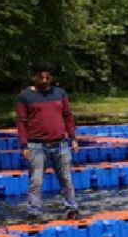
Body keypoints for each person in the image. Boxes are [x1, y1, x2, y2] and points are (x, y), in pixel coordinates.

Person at [16, 62, 80, 222]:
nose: (44, 80)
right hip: (35, 145)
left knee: (66, 178)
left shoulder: (60, 94)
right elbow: (21, 122)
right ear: (34, 77)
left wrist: (73, 138)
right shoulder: (25, 96)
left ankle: (71, 208)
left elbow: (68, 116)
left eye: (47, 77)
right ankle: (34, 212)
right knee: (36, 181)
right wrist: (24, 145)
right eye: (41, 77)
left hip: (60, 143)